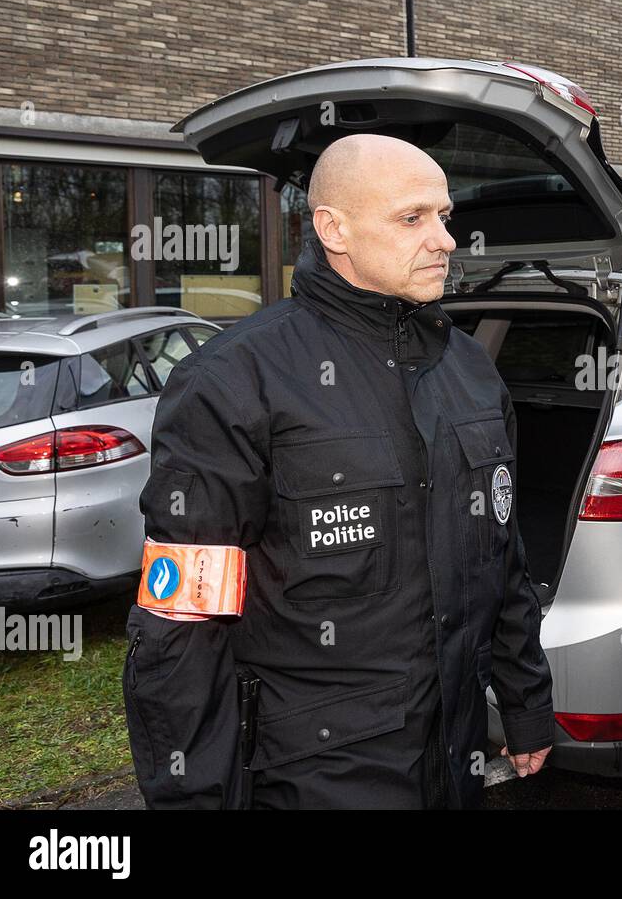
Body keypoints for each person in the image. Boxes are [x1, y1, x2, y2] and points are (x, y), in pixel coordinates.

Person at [122, 134, 553, 809]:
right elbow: (182, 624)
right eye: (413, 218)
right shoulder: (234, 382)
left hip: (456, 760)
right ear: (334, 229)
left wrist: (525, 702)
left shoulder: (470, 371)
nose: (444, 240)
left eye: (444, 216)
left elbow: (502, 560)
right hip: (318, 777)